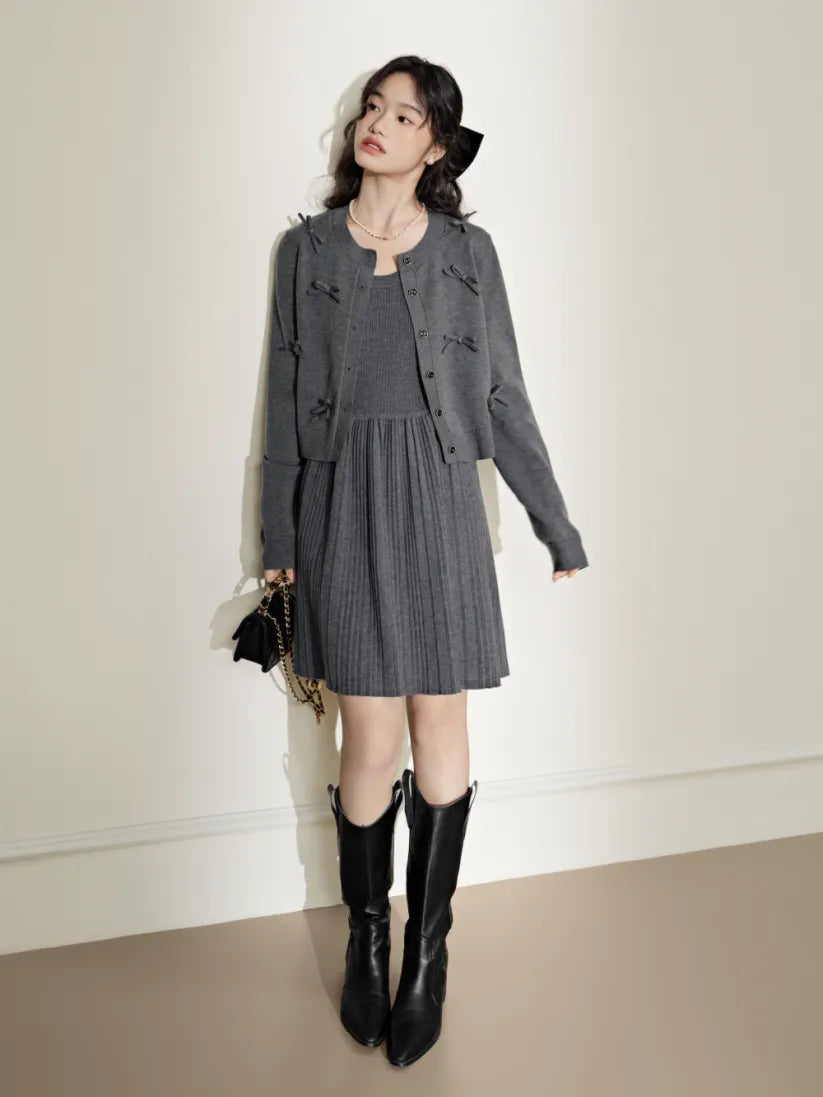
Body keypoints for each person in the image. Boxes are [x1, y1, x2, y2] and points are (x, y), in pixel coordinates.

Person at [260, 55, 589, 1067]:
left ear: (436, 145)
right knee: (367, 733)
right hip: (342, 501)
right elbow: (283, 400)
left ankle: (428, 950)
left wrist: (555, 523)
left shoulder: (467, 253)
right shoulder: (305, 249)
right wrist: (279, 541)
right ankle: (367, 935)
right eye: (373, 106)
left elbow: (502, 392)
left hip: (441, 500)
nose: (378, 123)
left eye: (404, 115)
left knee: (440, 719)